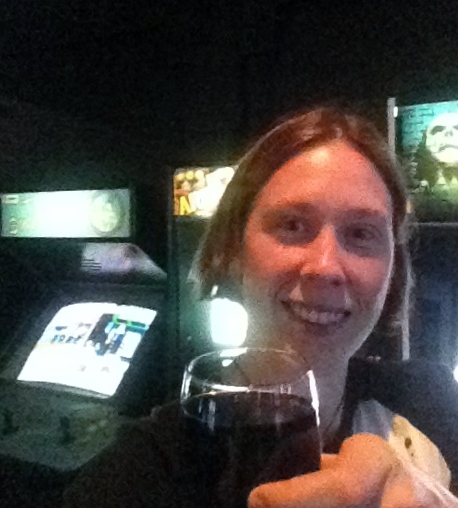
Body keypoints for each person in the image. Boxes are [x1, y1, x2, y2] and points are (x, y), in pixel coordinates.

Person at [63, 106, 458, 507]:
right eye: (292, 225)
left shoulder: (431, 399)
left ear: (394, 266)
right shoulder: (134, 478)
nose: (325, 267)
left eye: (360, 233)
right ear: (232, 249)